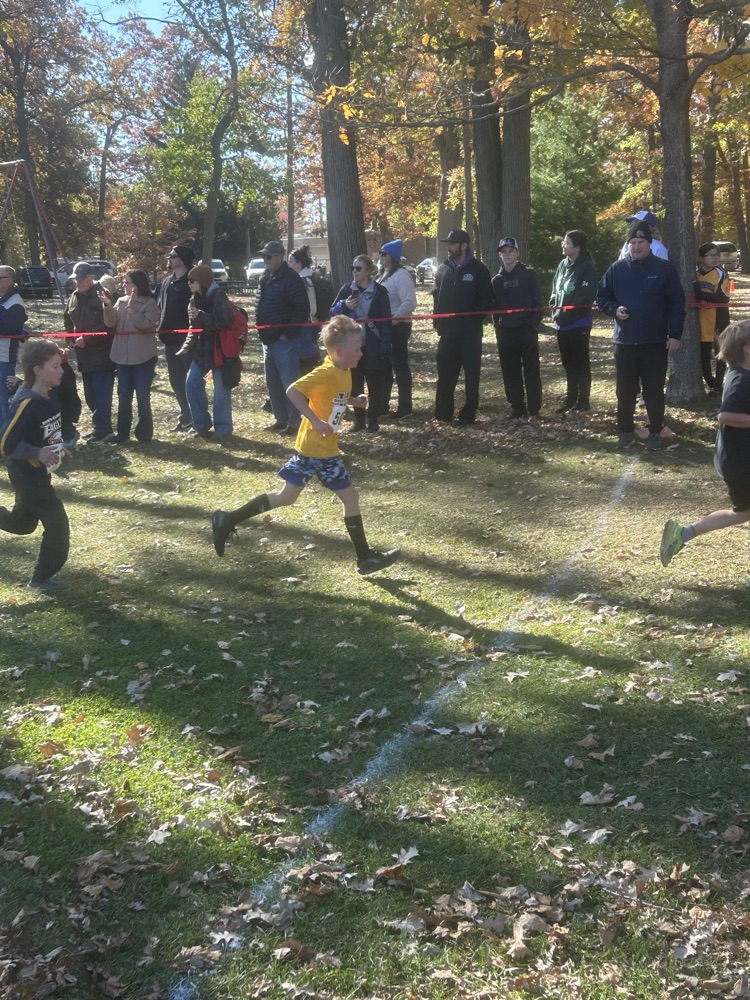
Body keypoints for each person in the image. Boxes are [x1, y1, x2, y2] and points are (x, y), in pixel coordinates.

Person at [210, 315, 400, 576]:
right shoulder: (324, 372)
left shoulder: (343, 371)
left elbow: (334, 397)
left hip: (313, 447)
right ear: (339, 351)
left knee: (286, 496)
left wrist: (354, 401)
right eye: (357, 349)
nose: (361, 353)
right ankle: (365, 558)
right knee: (350, 497)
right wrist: (315, 420)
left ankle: (227, 519)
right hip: (320, 449)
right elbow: (292, 391)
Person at [660, 321, 750, 567]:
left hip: (737, 458)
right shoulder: (740, 380)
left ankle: (682, 533)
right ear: (746, 349)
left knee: (742, 513)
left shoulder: (743, 374)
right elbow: (725, 416)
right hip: (740, 462)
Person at [596, 219, 685, 451]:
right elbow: (602, 297)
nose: (636, 246)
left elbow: (677, 302)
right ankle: (625, 431)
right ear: (628, 245)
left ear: (650, 243)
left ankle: (655, 431)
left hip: (655, 342)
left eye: (641, 242)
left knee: (653, 390)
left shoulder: (664, 268)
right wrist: (614, 310)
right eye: (632, 242)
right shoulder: (617, 269)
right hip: (624, 342)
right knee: (624, 390)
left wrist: (675, 335)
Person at [0, 340, 71, 591]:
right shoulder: (27, 403)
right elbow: (5, 443)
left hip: (39, 472)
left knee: (23, 524)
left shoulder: (49, 397)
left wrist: (58, 449)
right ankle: (41, 579)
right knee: (57, 523)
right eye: (54, 366)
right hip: (25, 473)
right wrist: (36, 452)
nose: (61, 370)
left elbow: (46, 431)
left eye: (60, 365)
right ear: (37, 370)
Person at [432, 228, 494, 426]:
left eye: (452, 243)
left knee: (471, 377)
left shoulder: (479, 270)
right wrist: (438, 322)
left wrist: (471, 322)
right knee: (445, 375)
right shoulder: (442, 269)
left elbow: (487, 301)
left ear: (464, 245)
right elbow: (436, 297)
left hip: (470, 336)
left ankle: (468, 415)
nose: (448, 248)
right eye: (448, 244)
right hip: (447, 335)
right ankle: (443, 414)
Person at [331, 255, 392, 433]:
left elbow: (386, 322)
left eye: (358, 268)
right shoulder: (346, 290)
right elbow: (332, 313)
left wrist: (384, 347)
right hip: (352, 347)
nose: (354, 272)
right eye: (353, 268)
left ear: (368, 271)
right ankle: (359, 421)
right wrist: (345, 307)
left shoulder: (380, 292)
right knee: (355, 384)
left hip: (373, 345)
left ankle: (373, 420)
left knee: (374, 384)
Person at [255, 240, 309, 435]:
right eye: (263, 256)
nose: (265, 260)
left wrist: (288, 334)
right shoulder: (265, 278)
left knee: (290, 383)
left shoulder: (291, 278)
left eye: (268, 257)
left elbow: (302, 309)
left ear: (279, 257)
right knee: (273, 383)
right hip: (267, 340)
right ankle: (281, 419)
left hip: (284, 341)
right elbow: (259, 304)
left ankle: (295, 423)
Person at [101, 270, 160, 443]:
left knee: (143, 396)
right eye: (124, 282)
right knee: (123, 396)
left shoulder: (149, 303)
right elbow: (111, 323)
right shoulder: (120, 301)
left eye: (127, 282)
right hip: (122, 357)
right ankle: (123, 433)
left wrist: (133, 307)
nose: (124, 285)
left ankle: (144, 434)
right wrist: (107, 306)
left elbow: (144, 325)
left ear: (137, 284)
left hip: (143, 358)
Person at [178, 263, 232, 441]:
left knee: (220, 390)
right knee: (191, 383)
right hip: (202, 349)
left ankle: (223, 429)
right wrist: (185, 347)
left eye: (192, 280)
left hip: (219, 349)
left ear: (202, 281)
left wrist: (201, 315)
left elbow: (223, 322)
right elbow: (193, 328)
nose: (189, 283)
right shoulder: (192, 300)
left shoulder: (219, 296)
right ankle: (201, 425)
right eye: (188, 280)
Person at [64, 261, 116, 443]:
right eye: (75, 280)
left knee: (102, 396)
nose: (78, 283)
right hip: (84, 357)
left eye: (81, 279)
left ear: (90, 277)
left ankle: (104, 429)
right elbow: (68, 320)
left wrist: (87, 339)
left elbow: (109, 326)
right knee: (90, 396)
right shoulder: (74, 297)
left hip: (102, 355)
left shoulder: (103, 295)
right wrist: (70, 339)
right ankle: (98, 428)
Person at [492, 236, 543, 420]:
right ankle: (517, 406)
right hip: (506, 332)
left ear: (517, 253)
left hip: (526, 330)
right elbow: (495, 307)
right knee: (510, 370)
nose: (507, 255)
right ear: (500, 255)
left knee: (531, 369)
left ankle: (534, 408)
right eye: (504, 252)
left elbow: (538, 302)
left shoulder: (528, 274)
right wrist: (498, 326)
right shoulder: (497, 280)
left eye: (511, 251)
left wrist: (533, 323)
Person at [550, 230, 597, 413]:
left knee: (580, 362)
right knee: (567, 363)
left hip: (579, 323)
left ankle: (583, 401)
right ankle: (570, 400)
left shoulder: (586, 267)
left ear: (577, 247)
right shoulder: (563, 265)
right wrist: (555, 312)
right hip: (561, 323)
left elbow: (585, 296)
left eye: (566, 242)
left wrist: (568, 315)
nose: (563, 244)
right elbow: (555, 291)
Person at [377, 239, 417, 419]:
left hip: (397, 328)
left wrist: (394, 320)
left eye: (383, 253)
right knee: (384, 368)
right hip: (383, 328)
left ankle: (405, 407)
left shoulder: (401, 275)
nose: (380, 256)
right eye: (380, 253)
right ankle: (383, 406)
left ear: (391, 256)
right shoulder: (383, 275)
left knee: (399, 367)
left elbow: (409, 302)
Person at [158, 245, 195, 432]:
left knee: (192, 381)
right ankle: (185, 416)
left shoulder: (192, 282)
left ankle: (197, 419)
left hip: (188, 341)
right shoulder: (166, 282)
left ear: (182, 259)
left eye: (173, 256)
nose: (170, 258)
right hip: (169, 341)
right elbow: (160, 307)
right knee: (176, 381)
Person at [694, 242, 730, 397]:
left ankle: (718, 383)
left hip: (719, 317)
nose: (714, 258)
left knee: (721, 351)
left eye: (716, 255)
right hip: (701, 318)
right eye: (710, 255)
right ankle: (710, 381)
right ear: (702, 258)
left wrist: (701, 295)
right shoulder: (694, 273)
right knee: (704, 353)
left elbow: (723, 297)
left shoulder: (721, 273)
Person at [288, 245, 322, 375]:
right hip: (310, 326)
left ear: (299, 263)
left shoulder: (304, 282)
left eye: (291, 261)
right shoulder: (311, 278)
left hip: (307, 327)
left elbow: (311, 308)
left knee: (305, 368)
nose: (289, 264)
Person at [0, 265, 27, 423]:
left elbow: (6, 329)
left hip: (4, 359)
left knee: (4, 400)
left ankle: (6, 438)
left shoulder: (15, 303)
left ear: (9, 281)